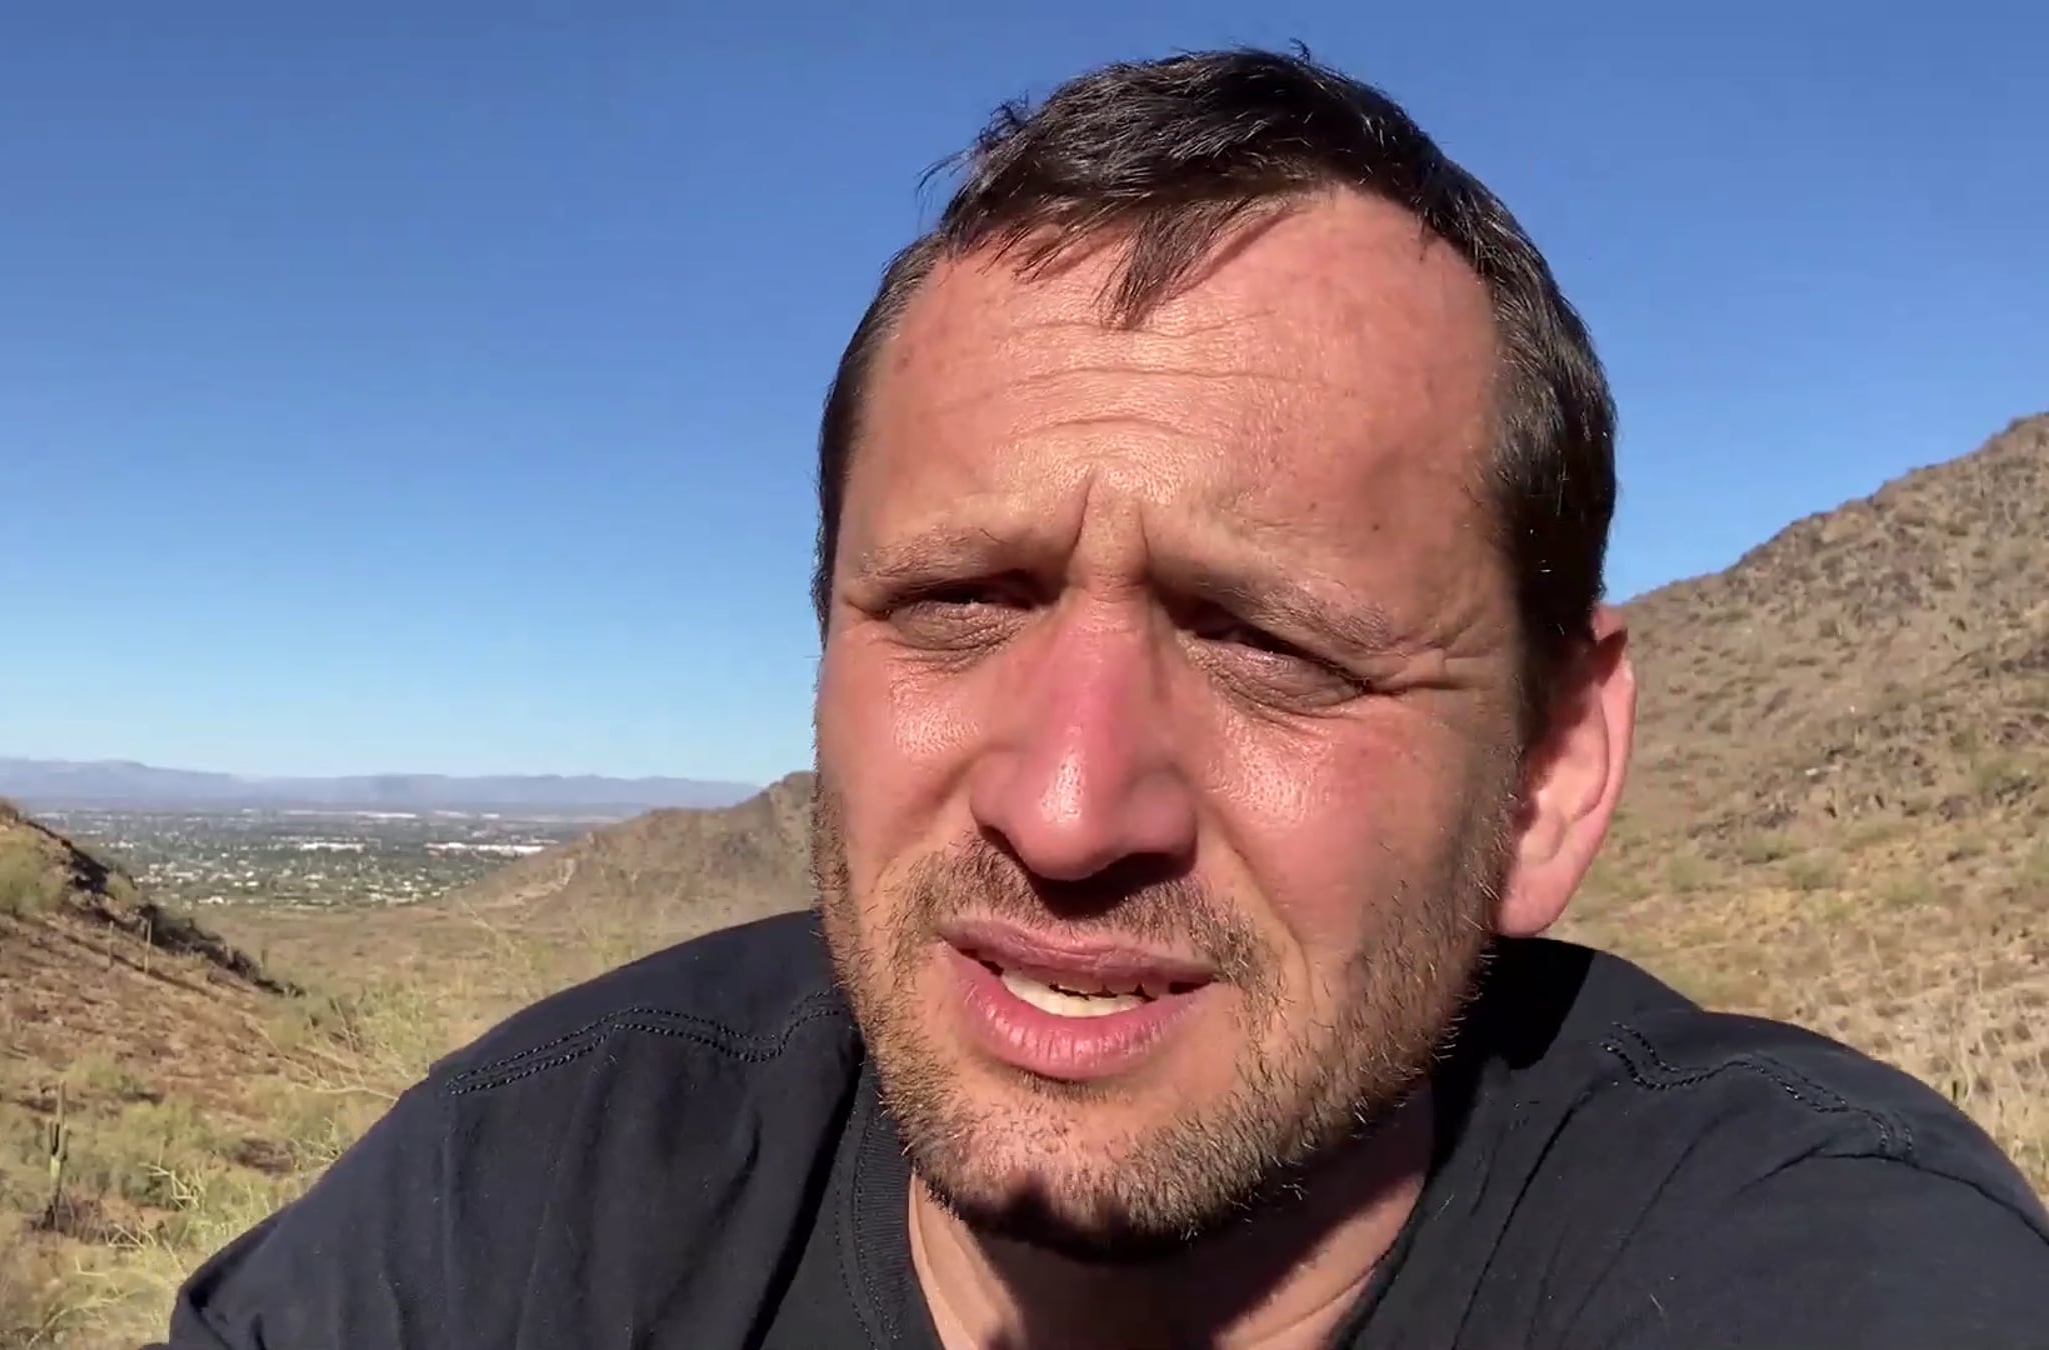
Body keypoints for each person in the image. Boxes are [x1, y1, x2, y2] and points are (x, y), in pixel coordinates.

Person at [155, 47, 2049, 1349]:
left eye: (1270, 643)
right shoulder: (541, 1190)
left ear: (1550, 771)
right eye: (957, 603)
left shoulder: (1788, 1246)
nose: (1066, 809)